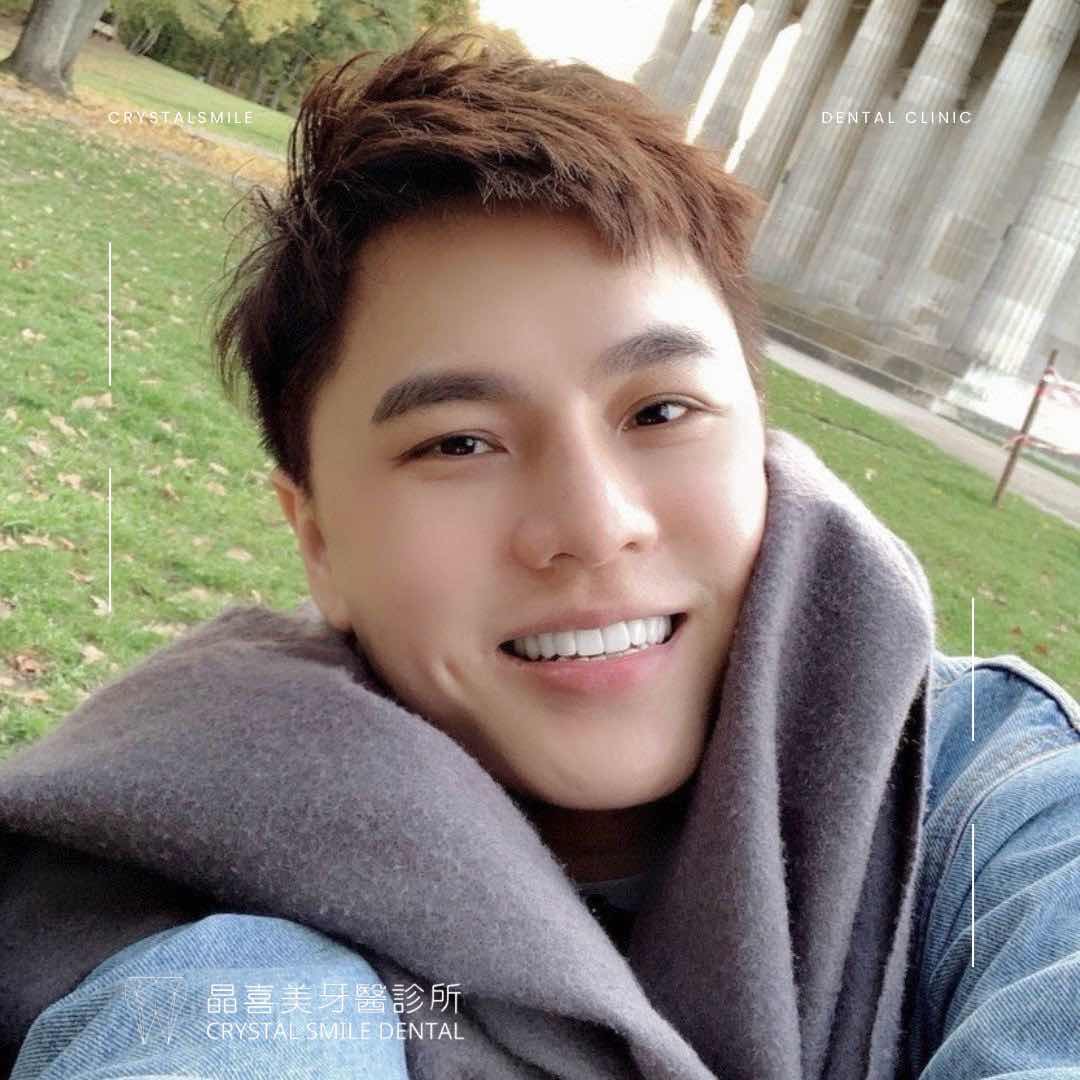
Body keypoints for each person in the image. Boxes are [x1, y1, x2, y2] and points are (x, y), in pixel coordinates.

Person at [2, 28, 1080, 1080]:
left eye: (661, 411)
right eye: (458, 443)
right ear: (318, 541)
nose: (594, 523)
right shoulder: (216, 937)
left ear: (761, 442)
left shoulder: (992, 800)